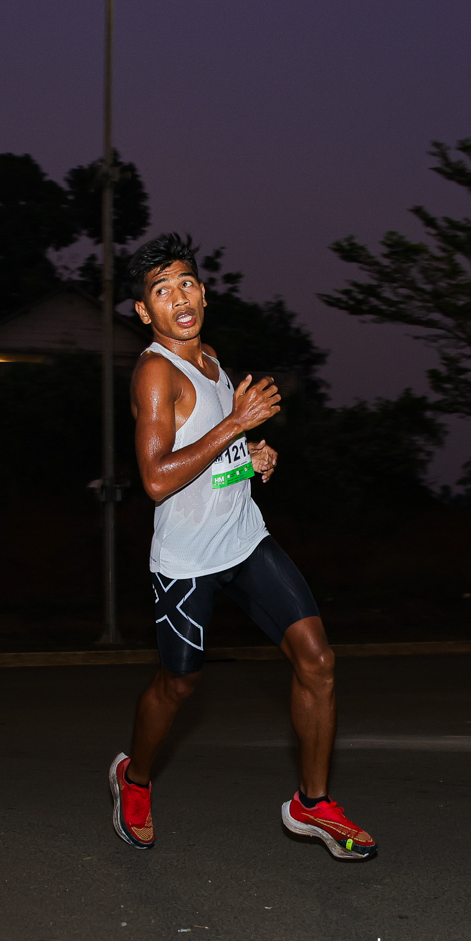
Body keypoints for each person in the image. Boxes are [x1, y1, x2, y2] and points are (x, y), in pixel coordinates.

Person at [107, 232, 377, 861]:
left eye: (186, 283)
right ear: (144, 311)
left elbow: (208, 453)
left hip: (244, 538)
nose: (179, 298)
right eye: (162, 290)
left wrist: (247, 456)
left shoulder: (210, 358)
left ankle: (313, 804)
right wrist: (237, 422)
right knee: (178, 686)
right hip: (187, 561)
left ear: (204, 292)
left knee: (319, 661)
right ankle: (134, 778)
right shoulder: (155, 373)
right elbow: (156, 479)